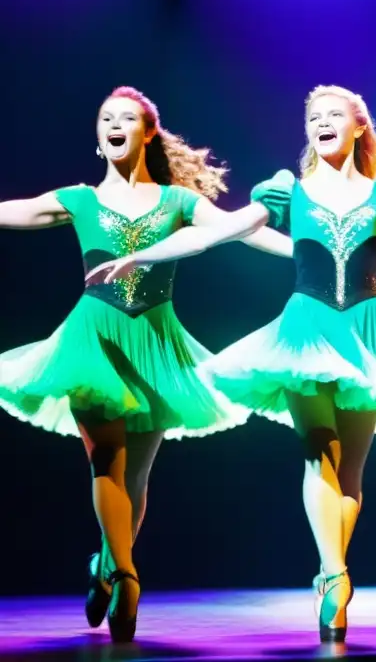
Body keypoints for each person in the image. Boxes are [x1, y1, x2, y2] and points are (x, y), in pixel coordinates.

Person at [86, 85, 376, 643]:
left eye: (334, 115)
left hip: (369, 333)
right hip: (304, 331)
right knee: (318, 449)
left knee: (351, 471)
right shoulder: (287, 190)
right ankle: (334, 575)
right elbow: (217, 232)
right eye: (313, 117)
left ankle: (332, 572)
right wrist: (141, 254)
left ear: (359, 128)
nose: (322, 123)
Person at [0, 86, 291, 643]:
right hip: (92, 340)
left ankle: (106, 565)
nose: (114, 124)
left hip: (157, 341)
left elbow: (239, 231)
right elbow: (18, 210)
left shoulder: (177, 202)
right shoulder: (80, 198)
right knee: (106, 460)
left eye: (126, 118)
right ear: (98, 134)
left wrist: (304, 250)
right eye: (106, 117)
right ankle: (128, 577)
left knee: (137, 476)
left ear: (147, 132)